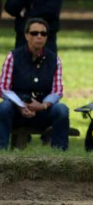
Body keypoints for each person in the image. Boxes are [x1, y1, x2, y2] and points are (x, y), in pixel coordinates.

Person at [0, 18, 69, 150]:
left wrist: (43, 106)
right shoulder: (13, 57)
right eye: (34, 33)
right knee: (4, 107)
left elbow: (57, 91)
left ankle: (60, 155)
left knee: (61, 110)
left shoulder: (55, 60)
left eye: (43, 34)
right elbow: (3, 88)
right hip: (17, 111)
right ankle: (1, 152)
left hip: (43, 112)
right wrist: (21, 105)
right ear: (26, 35)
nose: (39, 37)